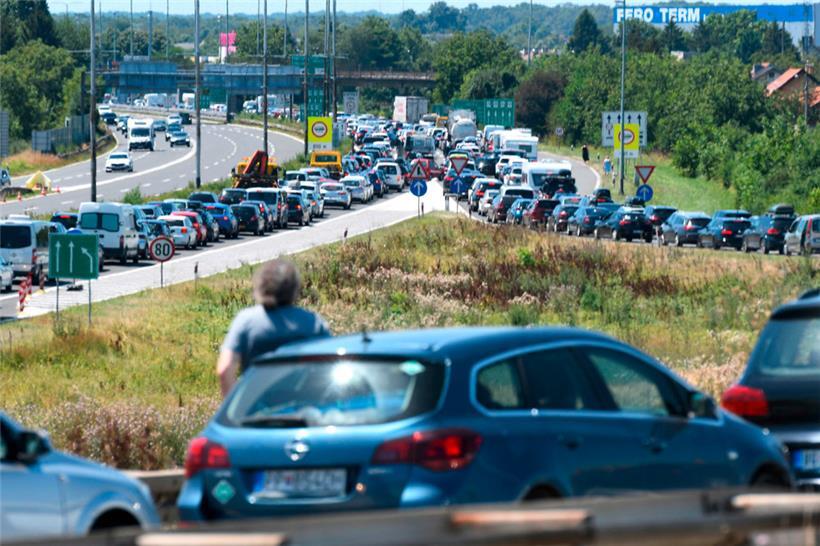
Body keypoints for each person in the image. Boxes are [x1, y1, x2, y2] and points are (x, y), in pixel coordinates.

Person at [217, 259, 331, 397]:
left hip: (258, 404)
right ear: (294, 288)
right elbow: (330, 368)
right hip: (304, 403)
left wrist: (236, 406)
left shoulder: (245, 321)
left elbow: (225, 369)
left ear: (260, 286)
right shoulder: (313, 323)